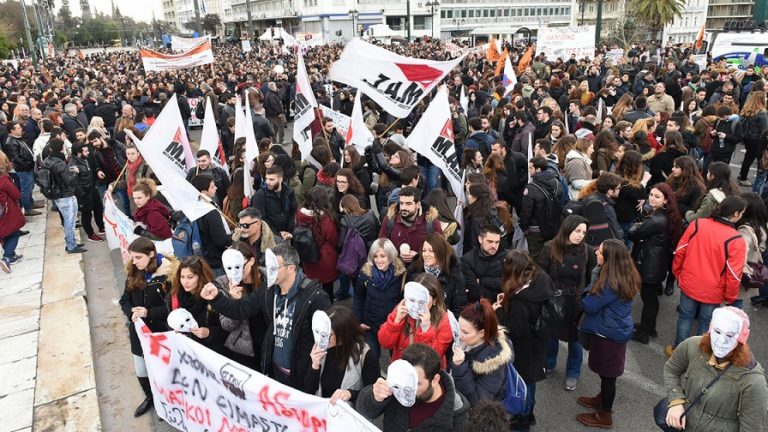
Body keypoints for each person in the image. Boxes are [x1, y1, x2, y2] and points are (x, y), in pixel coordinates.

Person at [201, 244, 332, 388]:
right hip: (274, 370)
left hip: (301, 373)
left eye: (274, 268)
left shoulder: (315, 297)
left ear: (291, 268)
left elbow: (328, 336)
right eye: (268, 267)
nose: (268, 272)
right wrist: (216, 298)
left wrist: (312, 369)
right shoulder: (268, 290)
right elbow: (241, 309)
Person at [663, 306, 768, 431]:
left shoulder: (753, 382)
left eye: (729, 335)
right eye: (717, 332)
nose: (721, 341)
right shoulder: (693, 346)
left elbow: (752, 429)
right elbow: (671, 369)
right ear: (710, 329)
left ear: (741, 338)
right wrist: (676, 401)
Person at [667, 196, 747, 357]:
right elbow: (733, 274)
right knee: (706, 322)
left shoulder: (697, 224)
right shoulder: (736, 239)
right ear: (736, 214)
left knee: (685, 318)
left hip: (689, 282)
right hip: (713, 290)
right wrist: (730, 297)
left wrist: (678, 274)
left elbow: (680, 251)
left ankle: (678, 350)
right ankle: (699, 355)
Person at [576, 239, 640, 429]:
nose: (596, 252)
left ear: (610, 259)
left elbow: (589, 305)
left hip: (608, 334)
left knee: (608, 376)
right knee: (607, 375)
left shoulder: (611, 283)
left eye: (601, 252)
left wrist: (593, 276)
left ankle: (605, 414)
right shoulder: (624, 275)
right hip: (614, 331)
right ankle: (602, 399)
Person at [494, 250, 555, 430]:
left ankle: (522, 420)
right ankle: (529, 413)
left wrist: (499, 311)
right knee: (531, 381)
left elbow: (516, 329)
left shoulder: (522, 300)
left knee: (522, 384)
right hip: (539, 342)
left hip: (524, 348)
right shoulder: (541, 278)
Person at [119, 237, 176, 417]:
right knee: (141, 369)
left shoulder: (169, 275)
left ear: (151, 254)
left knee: (164, 371)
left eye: (138, 258)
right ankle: (150, 397)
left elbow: (172, 308)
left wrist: (148, 313)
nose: (134, 262)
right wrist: (131, 313)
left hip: (161, 333)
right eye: (132, 257)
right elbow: (124, 300)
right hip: (138, 332)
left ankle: (167, 400)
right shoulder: (134, 272)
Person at [356, 343, 470, 431]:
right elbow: (364, 411)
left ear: (435, 380)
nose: (407, 389)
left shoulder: (458, 416)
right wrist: (374, 397)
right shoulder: (400, 383)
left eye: (416, 383)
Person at [539, 215, 596, 391]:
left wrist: (585, 298)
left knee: (575, 341)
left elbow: (590, 278)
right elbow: (541, 275)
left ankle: (572, 373)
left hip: (576, 303)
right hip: (554, 301)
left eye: (583, 232)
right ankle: (549, 363)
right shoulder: (550, 247)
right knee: (551, 336)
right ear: (567, 229)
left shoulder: (587, 251)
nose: (580, 235)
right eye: (577, 230)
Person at [629, 183, 682, 344]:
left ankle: (644, 332)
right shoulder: (665, 215)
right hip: (657, 262)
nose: (652, 198)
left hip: (650, 264)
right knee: (650, 297)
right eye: (651, 194)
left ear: (666, 200)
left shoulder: (657, 219)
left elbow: (633, 233)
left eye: (657, 196)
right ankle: (648, 326)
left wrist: (639, 225)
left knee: (648, 297)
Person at [301, 305, 379, 405]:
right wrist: (314, 367)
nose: (321, 339)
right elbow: (308, 391)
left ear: (343, 334)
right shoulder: (320, 348)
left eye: (329, 335)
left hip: (348, 418)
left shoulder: (366, 356)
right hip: (322, 414)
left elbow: (374, 396)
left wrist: (351, 394)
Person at [378, 273, 453, 367]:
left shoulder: (445, 321)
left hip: (426, 376)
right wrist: (396, 321)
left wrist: (426, 329)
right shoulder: (402, 309)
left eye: (422, 302)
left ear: (435, 300)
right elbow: (385, 343)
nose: (416, 306)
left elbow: (433, 359)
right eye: (412, 300)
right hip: (402, 370)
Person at [213, 242, 266, 370]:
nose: (236, 272)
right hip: (243, 347)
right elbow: (227, 325)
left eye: (240, 266)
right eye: (229, 268)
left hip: (268, 341)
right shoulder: (223, 283)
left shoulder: (269, 278)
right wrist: (233, 302)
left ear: (252, 261)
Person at [451, 299, 513, 405]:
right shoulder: (467, 342)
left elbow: (477, 400)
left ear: (481, 333)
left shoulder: (493, 362)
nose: (459, 335)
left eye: (465, 332)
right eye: (458, 327)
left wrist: (460, 367)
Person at [354, 238, 407, 360]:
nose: (378, 260)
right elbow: (358, 297)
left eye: (383, 256)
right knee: (372, 357)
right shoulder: (365, 275)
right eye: (375, 256)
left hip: (393, 324)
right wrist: (358, 321)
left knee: (395, 359)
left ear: (391, 255)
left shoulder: (401, 275)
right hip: (371, 324)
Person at [42, 138, 87, 253]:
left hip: (56, 195)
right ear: (62, 148)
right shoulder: (60, 163)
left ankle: (71, 242)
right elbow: (68, 180)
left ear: (51, 148)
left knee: (68, 220)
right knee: (70, 221)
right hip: (65, 195)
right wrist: (75, 173)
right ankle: (71, 246)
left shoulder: (47, 161)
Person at [170, 256, 224, 350]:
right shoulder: (178, 294)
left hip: (214, 352)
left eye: (190, 277)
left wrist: (209, 332)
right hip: (191, 351)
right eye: (182, 277)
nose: (185, 282)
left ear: (201, 276)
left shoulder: (213, 295)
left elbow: (228, 328)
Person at [408, 233, 467, 317]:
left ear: (441, 252)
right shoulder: (414, 272)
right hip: (417, 323)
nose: (426, 254)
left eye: (431, 251)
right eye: (424, 251)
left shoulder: (455, 275)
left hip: (443, 324)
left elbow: (458, 308)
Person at [379, 186, 443, 264]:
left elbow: (440, 250)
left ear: (418, 204)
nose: (403, 207)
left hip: (421, 271)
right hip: (395, 271)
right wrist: (397, 256)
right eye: (401, 203)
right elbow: (380, 247)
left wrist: (419, 256)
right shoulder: (389, 220)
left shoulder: (431, 223)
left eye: (408, 204)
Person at [521, 156, 564, 259]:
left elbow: (526, 211)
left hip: (535, 229)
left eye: (530, 168)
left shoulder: (531, 188)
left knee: (535, 257)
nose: (529, 170)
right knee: (552, 255)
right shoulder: (557, 183)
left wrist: (524, 227)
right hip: (553, 226)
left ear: (538, 169)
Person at [190, 175, 232, 272]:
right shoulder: (210, 211)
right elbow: (220, 240)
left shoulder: (193, 207)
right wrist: (233, 236)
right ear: (204, 192)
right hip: (216, 260)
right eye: (212, 187)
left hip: (202, 258)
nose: (216, 188)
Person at [250, 165, 298, 242]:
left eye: (272, 179)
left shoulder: (289, 192)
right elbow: (261, 218)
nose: (268, 182)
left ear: (280, 179)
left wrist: (290, 231)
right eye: (266, 179)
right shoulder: (259, 196)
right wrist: (278, 234)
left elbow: (293, 212)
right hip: (269, 238)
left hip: (288, 235)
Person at [69, 142, 105, 242]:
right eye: (86, 151)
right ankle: (91, 234)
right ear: (78, 153)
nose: (88, 152)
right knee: (87, 214)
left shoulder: (85, 159)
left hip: (92, 188)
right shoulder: (73, 165)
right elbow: (73, 182)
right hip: (84, 193)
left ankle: (101, 227)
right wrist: (82, 194)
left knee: (98, 209)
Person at [462, 225, 506, 303]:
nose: (494, 246)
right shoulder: (468, 260)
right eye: (490, 241)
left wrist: (483, 281)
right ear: (480, 239)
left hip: (503, 303)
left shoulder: (506, 256)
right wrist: (498, 294)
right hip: (481, 306)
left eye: (497, 242)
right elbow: (474, 291)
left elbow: (509, 283)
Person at [4, 121, 40, 216]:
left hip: (28, 167)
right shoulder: (11, 142)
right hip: (23, 169)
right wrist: (27, 165)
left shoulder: (18, 139)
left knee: (30, 186)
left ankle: (30, 202)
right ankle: (27, 208)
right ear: (12, 130)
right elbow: (16, 158)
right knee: (26, 189)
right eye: (18, 128)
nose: (21, 129)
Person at [0, 151, 24, 272]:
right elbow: (16, 194)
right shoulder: (3, 180)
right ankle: (7, 257)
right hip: (7, 213)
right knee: (14, 233)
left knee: (3, 234)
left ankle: (12, 255)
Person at [737, 91, 768, 186]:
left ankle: (742, 174)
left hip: (747, 137)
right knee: (755, 158)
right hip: (757, 139)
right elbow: (765, 129)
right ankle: (744, 177)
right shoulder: (762, 113)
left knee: (748, 156)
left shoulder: (746, 109)